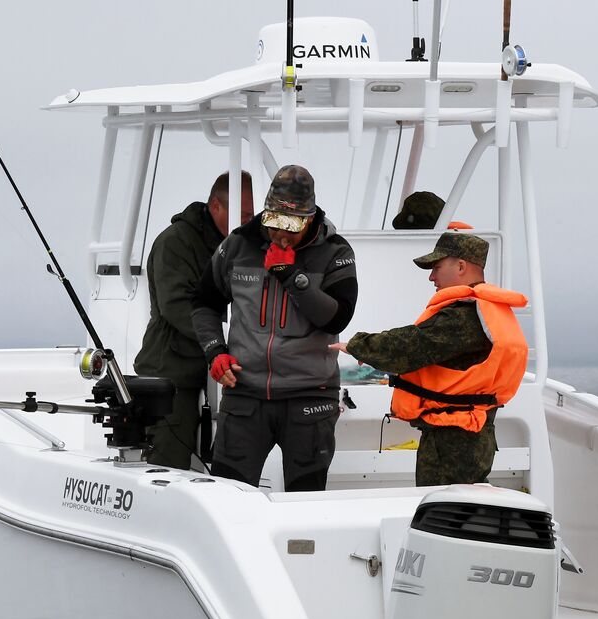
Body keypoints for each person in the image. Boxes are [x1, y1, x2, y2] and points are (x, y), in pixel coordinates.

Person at [190, 165, 358, 491]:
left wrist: (291, 276)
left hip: (310, 397)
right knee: (228, 497)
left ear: (310, 219)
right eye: (273, 221)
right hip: (244, 395)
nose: (281, 233)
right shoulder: (237, 246)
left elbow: (337, 318)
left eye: (291, 225)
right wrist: (215, 352)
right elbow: (204, 303)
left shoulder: (335, 252)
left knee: (305, 502)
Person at [332, 233, 527, 487]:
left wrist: (359, 346)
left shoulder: (463, 318)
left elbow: (411, 346)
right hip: (467, 432)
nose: (431, 277)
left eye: (436, 267)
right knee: (454, 507)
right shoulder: (481, 312)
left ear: (460, 266)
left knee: (444, 510)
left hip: (454, 441)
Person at [134, 172, 253, 469]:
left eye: (252, 216)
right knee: (166, 468)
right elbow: (176, 306)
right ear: (216, 206)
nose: (248, 223)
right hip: (169, 375)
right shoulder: (174, 242)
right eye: (244, 214)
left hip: (204, 374)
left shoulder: (233, 244)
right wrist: (222, 346)